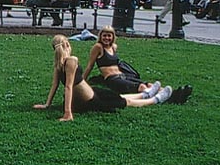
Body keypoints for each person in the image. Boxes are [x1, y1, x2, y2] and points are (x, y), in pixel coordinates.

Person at [33, 35, 175, 122]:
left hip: (90, 93)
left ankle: (145, 94)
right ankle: (156, 98)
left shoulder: (59, 64)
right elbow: (67, 86)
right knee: (126, 102)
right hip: (91, 99)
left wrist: (47, 104)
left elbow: (55, 85)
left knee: (117, 96)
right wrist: (68, 113)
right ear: (68, 45)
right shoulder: (71, 60)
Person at [82, 26, 192, 104]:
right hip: (113, 79)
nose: (106, 38)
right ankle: (167, 99)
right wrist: (82, 81)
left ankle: (175, 93)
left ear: (113, 37)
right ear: (100, 36)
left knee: (149, 85)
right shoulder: (98, 47)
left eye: (109, 36)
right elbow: (90, 65)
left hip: (123, 75)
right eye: (104, 36)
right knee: (142, 87)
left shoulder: (114, 47)